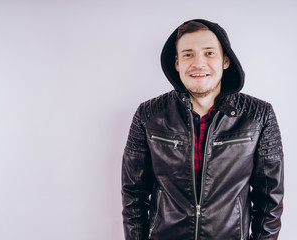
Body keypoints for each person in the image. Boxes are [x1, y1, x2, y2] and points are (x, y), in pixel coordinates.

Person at [121, 19, 284, 240]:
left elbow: (270, 201)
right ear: (177, 63)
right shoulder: (148, 115)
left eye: (209, 53)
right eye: (188, 54)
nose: (199, 63)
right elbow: (134, 196)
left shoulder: (259, 116)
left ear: (226, 60)